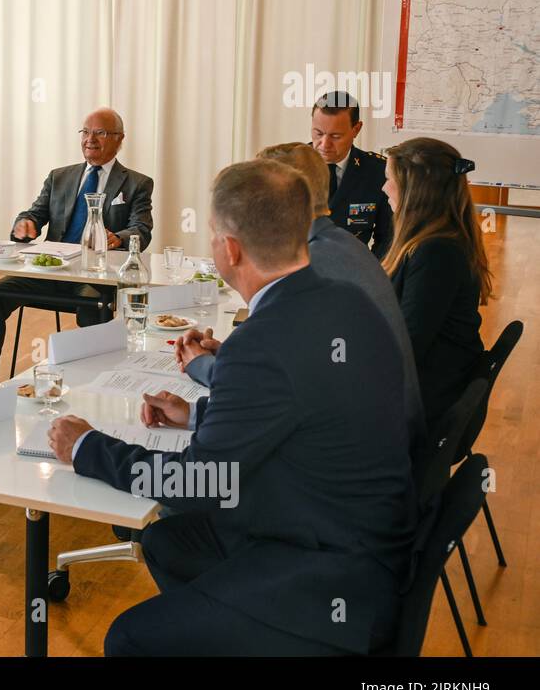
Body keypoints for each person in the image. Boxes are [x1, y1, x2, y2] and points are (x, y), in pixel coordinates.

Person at [48, 160, 416, 655]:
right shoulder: (349, 301)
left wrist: (88, 446)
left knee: (129, 637)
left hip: (329, 570)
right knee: (167, 542)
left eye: (213, 233)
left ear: (231, 249)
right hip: (352, 526)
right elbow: (299, 410)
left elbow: (202, 483)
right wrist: (202, 414)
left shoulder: (261, 342)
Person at [178, 141, 426, 456]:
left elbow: (269, 374)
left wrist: (204, 365)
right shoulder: (344, 244)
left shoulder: (311, 262)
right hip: (384, 443)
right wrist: (228, 359)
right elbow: (295, 371)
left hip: (351, 461)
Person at [0, 109, 153, 392]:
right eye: (85, 132)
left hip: (95, 276)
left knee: (94, 308)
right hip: (51, 271)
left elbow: (141, 228)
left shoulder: (137, 183)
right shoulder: (60, 177)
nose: (90, 139)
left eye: (100, 133)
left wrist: (117, 237)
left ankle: (93, 386)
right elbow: (34, 213)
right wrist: (24, 224)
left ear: (119, 139)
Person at [381, 137, 492, 424]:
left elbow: (407, 345)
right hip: (432, 387)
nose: (384, 189)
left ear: (414, 192)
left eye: (389, 180)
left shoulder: (437, 253)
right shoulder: (436, 241)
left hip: (429, 401)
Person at [310, 90, 392, 257]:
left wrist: (370, 274)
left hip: (354, 275)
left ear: (356, 129)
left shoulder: (378, 172)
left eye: (335, 136)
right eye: (318, 133)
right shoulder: (289, 167)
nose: (324, 144)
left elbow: (387, 239)